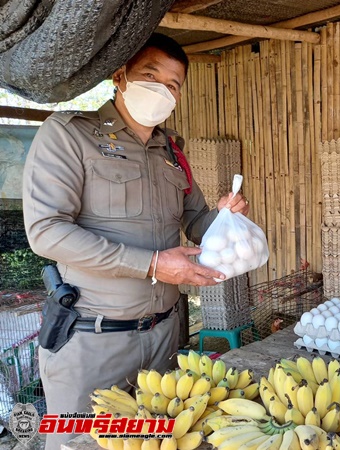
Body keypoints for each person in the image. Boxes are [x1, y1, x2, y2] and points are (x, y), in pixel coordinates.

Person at [22, 33, 249, 449]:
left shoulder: (171, 153)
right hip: (93, 342)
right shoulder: (72, 135)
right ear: (119, 74)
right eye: (150, 75)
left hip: (164, 336)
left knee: (157, 442)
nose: (161, 90)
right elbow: (46, 231)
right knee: (80, 444)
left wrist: (225, 219)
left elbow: (196, 221)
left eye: (173, 84)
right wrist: (152, 264)